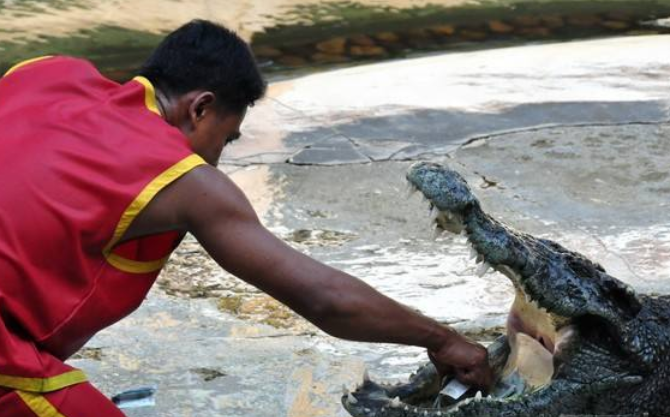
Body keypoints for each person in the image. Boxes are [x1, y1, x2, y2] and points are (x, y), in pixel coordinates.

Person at [0, 20, 492, 416]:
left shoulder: (42, 71)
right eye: (227, 138)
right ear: (200, 108)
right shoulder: (184, 178)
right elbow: (324, 299)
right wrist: (443, 339)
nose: (218, 158)